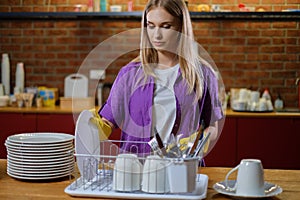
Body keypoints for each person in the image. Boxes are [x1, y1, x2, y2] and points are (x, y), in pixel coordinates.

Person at [93, 0, 224, 156]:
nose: (157, 35)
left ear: (181, 28)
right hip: (136, 170)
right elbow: (108, 121)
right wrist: (92, 128)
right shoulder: (129, 74)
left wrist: (194, 143)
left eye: (166, 26)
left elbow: (212, 126)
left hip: (181, 169)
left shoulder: (202, 74)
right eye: (151, 25)